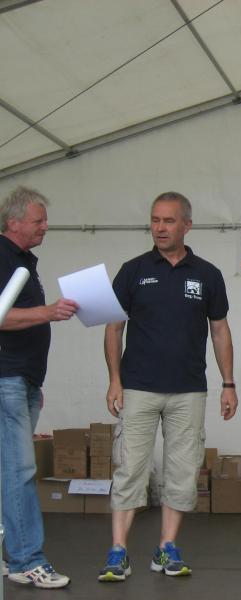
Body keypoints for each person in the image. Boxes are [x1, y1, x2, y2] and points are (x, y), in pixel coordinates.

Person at [98, 192, 238, 582]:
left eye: (168, 221)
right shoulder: (132, 270)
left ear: (187, 225)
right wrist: (114, 380)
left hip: (189, 390)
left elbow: (220, 330)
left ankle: (167, 547)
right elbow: (113, 328)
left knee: (182, 471)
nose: (159, 228)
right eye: (155, 220)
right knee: (130, 469)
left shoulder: (207, 274)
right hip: (138, 387)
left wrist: (228, 383)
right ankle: (118, 552)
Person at [0, 185, 77, 588]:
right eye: (38, 220)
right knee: (20, 470)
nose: (45, 226)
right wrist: (48, 311)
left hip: (21, 379)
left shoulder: (23, 261)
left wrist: (32, 382)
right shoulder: (2, 256)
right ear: (13, 222)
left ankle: (16, 555)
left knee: (9, 470)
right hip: (7, 378)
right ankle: (27, 559)